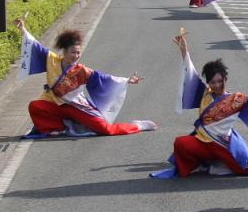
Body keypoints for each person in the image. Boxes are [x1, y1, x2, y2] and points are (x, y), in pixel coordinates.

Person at [150, 35, 248, 178]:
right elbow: (190, 74)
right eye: (213, 82)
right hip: (203, 142)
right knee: (181, 143)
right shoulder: (205, 94)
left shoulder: (236, 99)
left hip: (224, 143)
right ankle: (200, 166)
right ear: (208, 83)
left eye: (220, 81)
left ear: (225, 78)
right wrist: (184, 51)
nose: (217, 85)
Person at [16, 19, 155, 138]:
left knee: (106, 129)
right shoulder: (51, 60)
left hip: (77, 105)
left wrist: (126, 80)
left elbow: (103, 78)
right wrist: (23, 29)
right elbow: (35, 45)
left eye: (78, 53)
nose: (76, 56)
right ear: (64, 52)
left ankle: (137, 126)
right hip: (55, 103)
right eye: (73, 52)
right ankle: (58, 128)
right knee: (35, 106)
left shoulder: (82, 70)